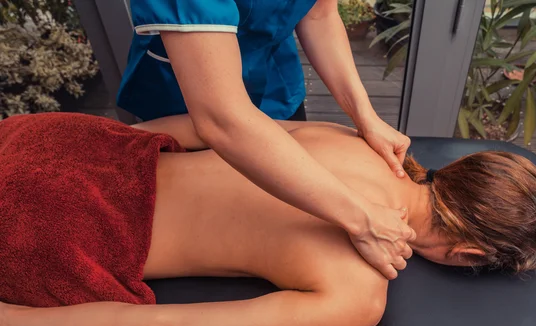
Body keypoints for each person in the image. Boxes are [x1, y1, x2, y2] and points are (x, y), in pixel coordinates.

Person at [0, 114, 536, 326]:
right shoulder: (357, 295)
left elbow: (200, 126)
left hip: (53, 140)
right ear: (468, 253)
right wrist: (10, 323)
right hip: (45, 229)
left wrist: (110, 145)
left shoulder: (353, 139)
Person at [118, 0, 414, 280]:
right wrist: (363, 221)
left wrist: (366, 116)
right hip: (184, 91)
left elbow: (318, 13)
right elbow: (221, 120)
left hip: (272, 81)